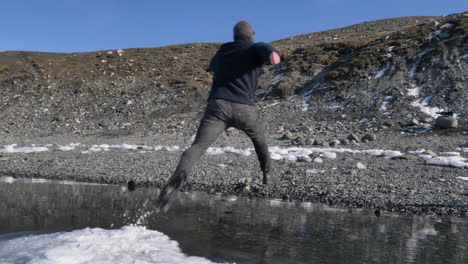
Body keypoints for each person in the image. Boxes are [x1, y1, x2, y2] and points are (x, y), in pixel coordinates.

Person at [156, 21, 281, 213]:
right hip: (243, 108)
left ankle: (176, 180)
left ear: (235, 35)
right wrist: (273, 56)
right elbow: (267, 50)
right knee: (259, 139)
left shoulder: (222, 52)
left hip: (217, 107)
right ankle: (268, 174)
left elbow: (211, 67)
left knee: (198, 146)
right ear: (250, 35)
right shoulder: (255, 47)